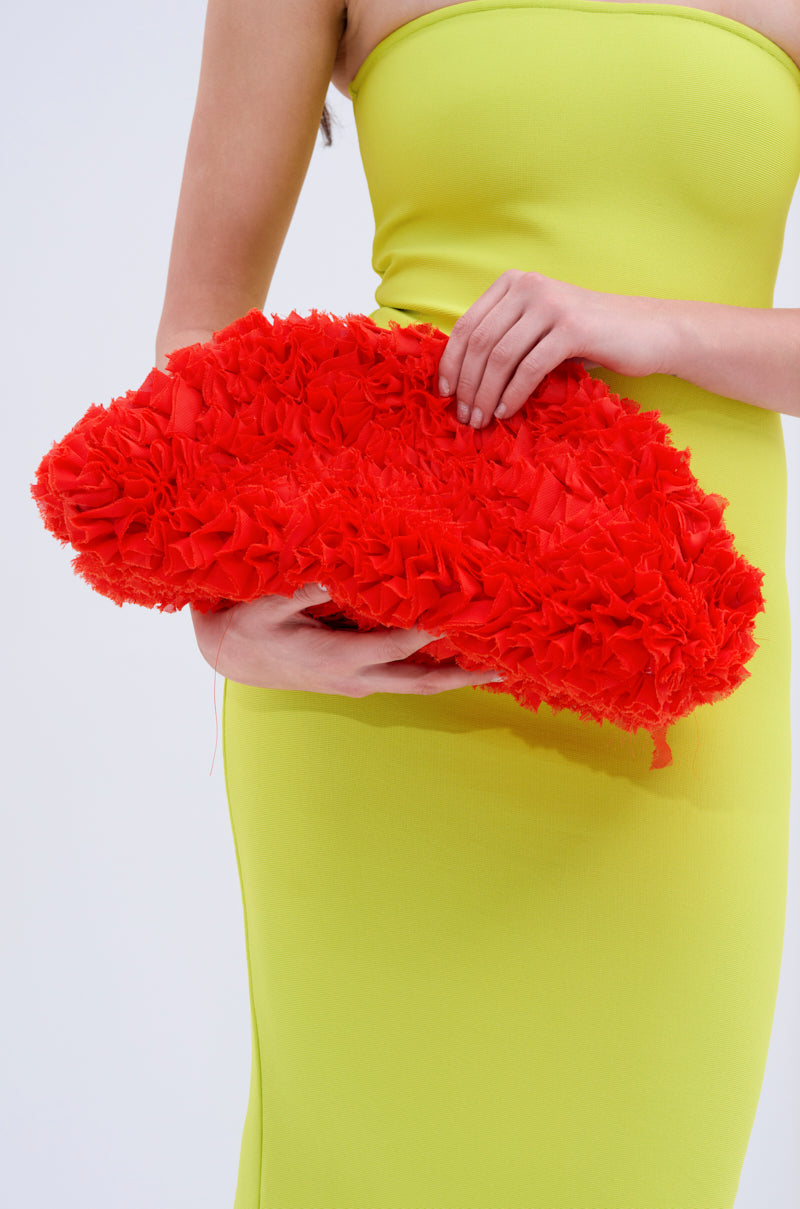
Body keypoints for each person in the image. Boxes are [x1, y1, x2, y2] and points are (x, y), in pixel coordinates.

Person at [154, 2, 800, 1205]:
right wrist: (223, 613)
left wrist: (650, 327)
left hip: (680, 684)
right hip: (383, 668)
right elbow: (199, 337)